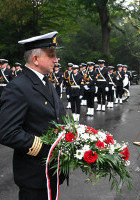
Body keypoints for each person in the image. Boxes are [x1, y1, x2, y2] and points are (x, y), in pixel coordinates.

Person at [0, 31, 66, 200]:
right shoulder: (18, 87)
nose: (56, 60)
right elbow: (7, 132)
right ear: (36, 59)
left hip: (51, 172)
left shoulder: (46, 82)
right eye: (51, 55)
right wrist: (46, 148)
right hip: (33, 174)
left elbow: (56, 118)